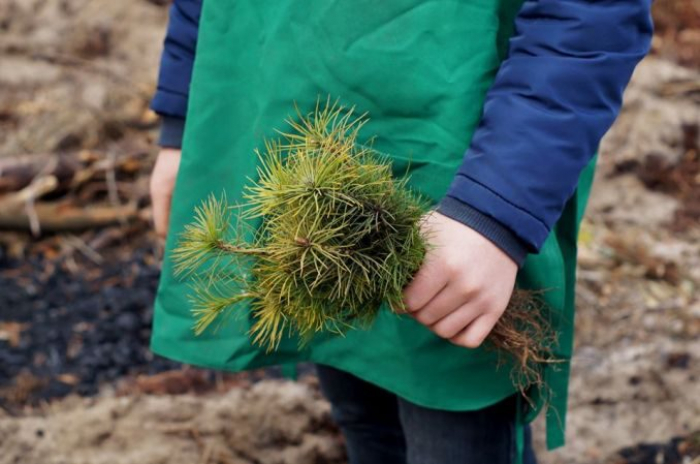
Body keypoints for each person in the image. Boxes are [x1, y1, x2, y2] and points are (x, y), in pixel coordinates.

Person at [148, 1, 653, 463]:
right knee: (359, 403)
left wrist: (496, 208)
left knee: (453, 427)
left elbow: (591, 13)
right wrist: (181, 114)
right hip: (285, 126)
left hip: (458, 153)